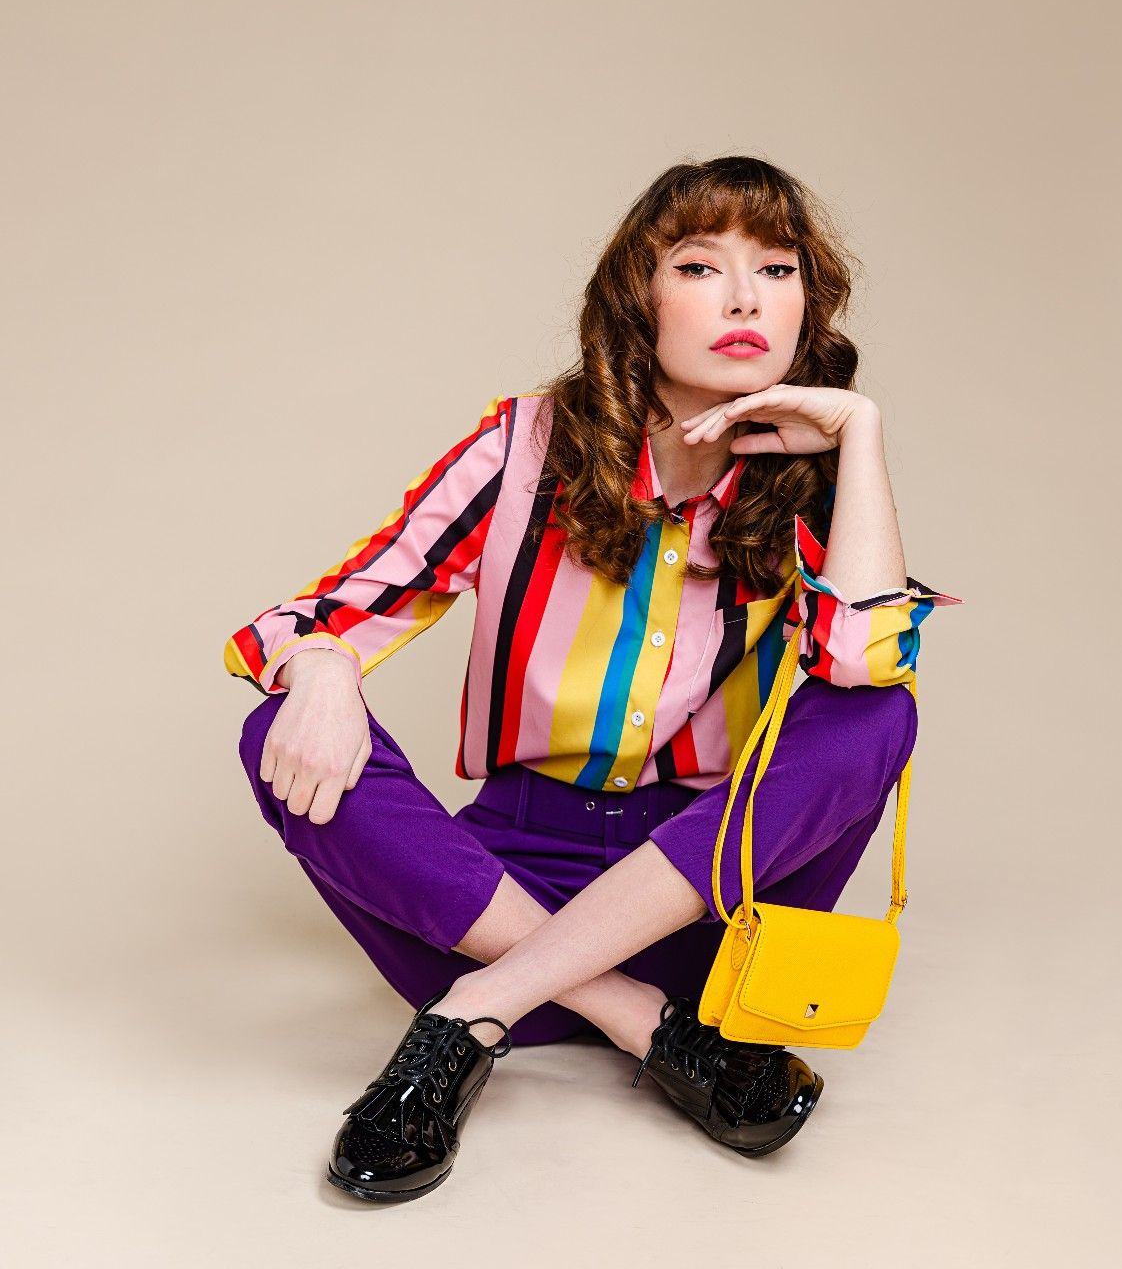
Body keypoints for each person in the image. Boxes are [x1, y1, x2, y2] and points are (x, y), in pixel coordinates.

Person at [227, 155, 963, 1203]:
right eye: (703, 265)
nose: (747, 296)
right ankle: (635, 1025)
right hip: (489, 899)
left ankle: (472, 1018)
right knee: (280, 725)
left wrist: (859, 439)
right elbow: (317, 614)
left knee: (873, 710)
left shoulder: (810, 481)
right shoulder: (522, 445)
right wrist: (323, 667)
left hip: (710, 920)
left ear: (809, 306)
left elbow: (861, 659)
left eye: (779, 268)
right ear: (640, 298)